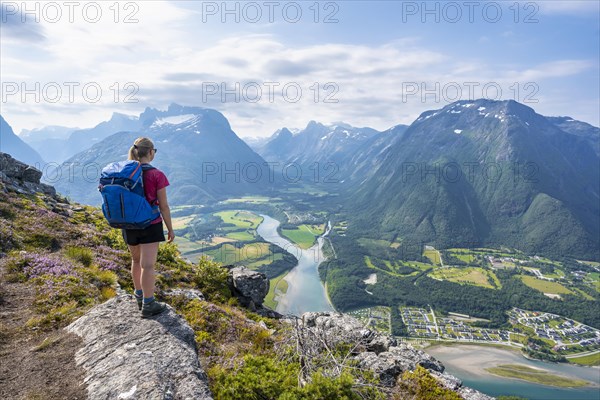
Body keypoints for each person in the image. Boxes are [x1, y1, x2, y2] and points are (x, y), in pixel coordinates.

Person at [122, 137, 175, 318]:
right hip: (150, 224)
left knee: (136, 261)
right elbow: (163, 206)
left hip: (128, 225)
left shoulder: (125, 173)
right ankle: (149, 303)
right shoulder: (156, 175)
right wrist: (170, 228)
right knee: (148, 265)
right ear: (151, 152)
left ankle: (138, 296)